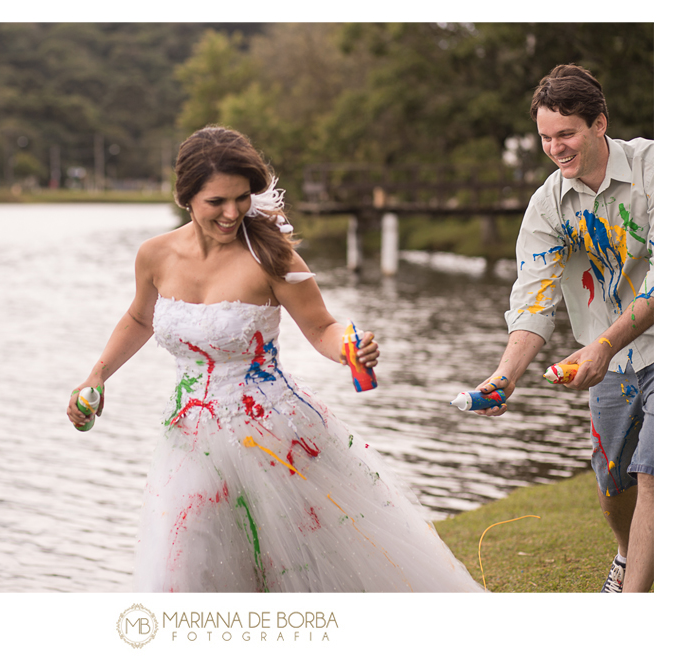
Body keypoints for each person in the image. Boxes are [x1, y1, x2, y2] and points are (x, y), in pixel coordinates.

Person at [67, 126, 483, 592]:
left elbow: (322, 326)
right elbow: (140, 318)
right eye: (216, 202)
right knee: (188, 564)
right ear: (186, 198)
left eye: (242, 198)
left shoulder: (270, 255)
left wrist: (351, 348)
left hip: (272, 435)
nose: (232, 213)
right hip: (188, 436)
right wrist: (98, 374)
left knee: (303, 567)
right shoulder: (154, 255)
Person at [474, 64, 653, 593]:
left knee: (654, 473)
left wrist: (601, 344)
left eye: (567, 134)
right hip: (613, 361)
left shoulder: (655, 168)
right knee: (613, 481)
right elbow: (534, 297)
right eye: (546, 138)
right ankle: (628, 555)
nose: (556, 148)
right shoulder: (549, 204)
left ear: (600, 124)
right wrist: (506, 375)